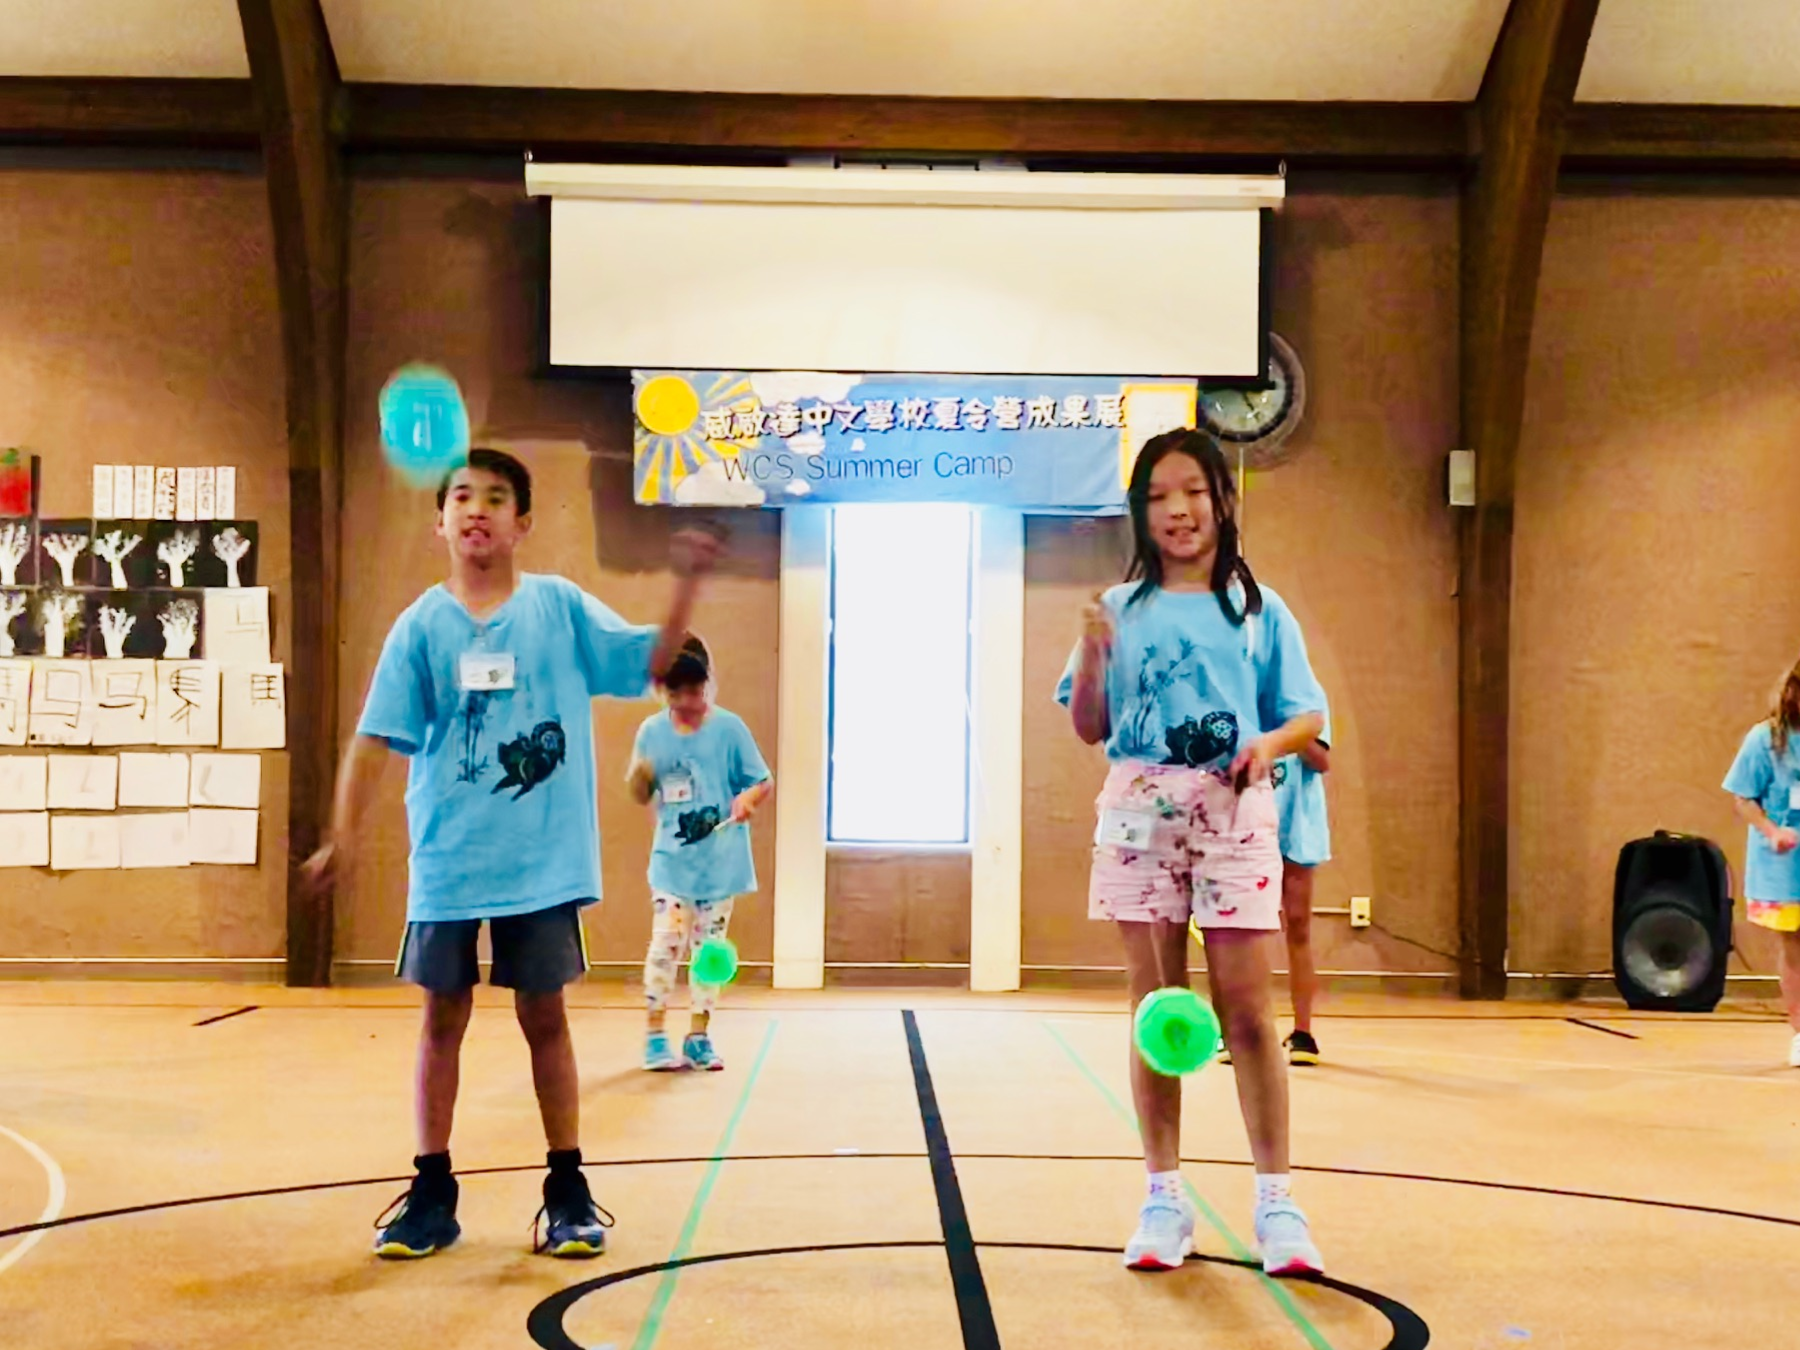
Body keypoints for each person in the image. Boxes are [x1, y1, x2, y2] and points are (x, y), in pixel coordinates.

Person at [303, 447, 719, 1259]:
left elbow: (652, 660)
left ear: (523, 523)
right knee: (441, 1019)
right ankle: (432, 1192)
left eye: (496, 497)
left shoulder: (558, 607)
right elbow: (374, 737)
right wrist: (340, 834)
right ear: (440, 521)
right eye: (461, 496)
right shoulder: (421, 626)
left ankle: (567, 1189)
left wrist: (688, 582)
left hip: (541, 861)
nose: (477, 509)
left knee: (544, 1016)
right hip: (451, 861)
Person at [1057, 428, 1327, 1277]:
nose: (1177, 510)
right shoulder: (1119, 607)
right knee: (1158, 1013)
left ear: (1222, 500)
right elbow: (1088, 724)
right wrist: (1094, 654)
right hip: (1139, 816)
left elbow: (1308, 715)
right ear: (1141, 513)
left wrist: (1267, 746)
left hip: (1235, 815)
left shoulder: (1258, 608)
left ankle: (1277, 1205)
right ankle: (1163, 1198)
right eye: (1158, 496)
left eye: (1193, 492)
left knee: (1247, 1014)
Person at [627, 633, 772, 1071]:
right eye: (678, 695)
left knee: (710, 954)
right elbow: (640, 791)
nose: (689, 703)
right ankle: (655, 1035)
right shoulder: (652, 732)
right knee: (665, 944)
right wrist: (641, 779)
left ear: (707, 685)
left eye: (696, 692)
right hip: (673, 865)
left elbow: (762, 780)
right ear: (664, 692)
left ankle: (698, 1035)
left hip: (720, 866)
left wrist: (747, 799)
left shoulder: (729, 728)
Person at [1215, 732, 1332, 1067]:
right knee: (1238, 930)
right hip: (1245, 824)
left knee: (1298, 925)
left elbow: (1321, 761)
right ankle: (1237, 1030)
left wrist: (1290, 730)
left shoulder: (1308, 709)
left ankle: (1303, 1032)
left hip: (1296, 825)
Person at [1722, 654, 1800, 1068]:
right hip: (1785, 869)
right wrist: (1772, 832)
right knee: (1795, 948)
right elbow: (1743, 798)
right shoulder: (1766, 739)